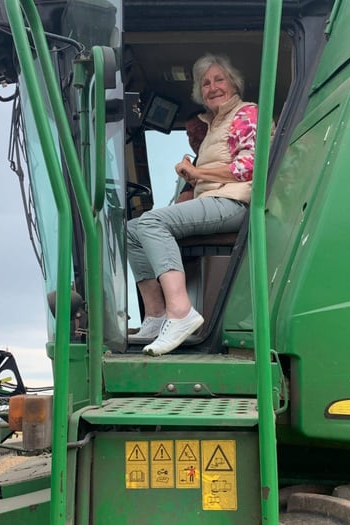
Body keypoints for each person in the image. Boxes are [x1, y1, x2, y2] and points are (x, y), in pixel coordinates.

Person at [128, 53, 258, 356]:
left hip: (234, 202)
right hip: (215, 198)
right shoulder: (215, 124)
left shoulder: (245, 113)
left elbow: (249, 167)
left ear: (233, 83)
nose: (212, 87)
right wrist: (194, 174)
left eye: (219, 79)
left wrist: (198, 173)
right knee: (132, 230)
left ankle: (180, 312)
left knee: (151, 222)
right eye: (205, 83)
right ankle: (156, 315)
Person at [175, 111, 207, 203]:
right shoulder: (198, 161)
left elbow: (185, 201)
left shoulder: (224, 154)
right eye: (189, 135)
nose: (193, 138)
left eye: (199, 130)